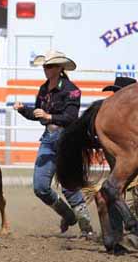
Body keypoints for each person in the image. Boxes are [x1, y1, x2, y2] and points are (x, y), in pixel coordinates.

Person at [14, 50, 93, 237]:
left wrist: (49, 116)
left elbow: (71, 118)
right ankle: (68, 215)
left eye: (49, 66)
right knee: (40, 187)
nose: (45, 69)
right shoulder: (43, 89)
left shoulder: (71, 90)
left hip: (67, 141)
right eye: (45, 66)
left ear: (59, 68)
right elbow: (37, 114)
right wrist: (23, 110)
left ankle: (86, 227)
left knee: (69, 186)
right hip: (49, 140)